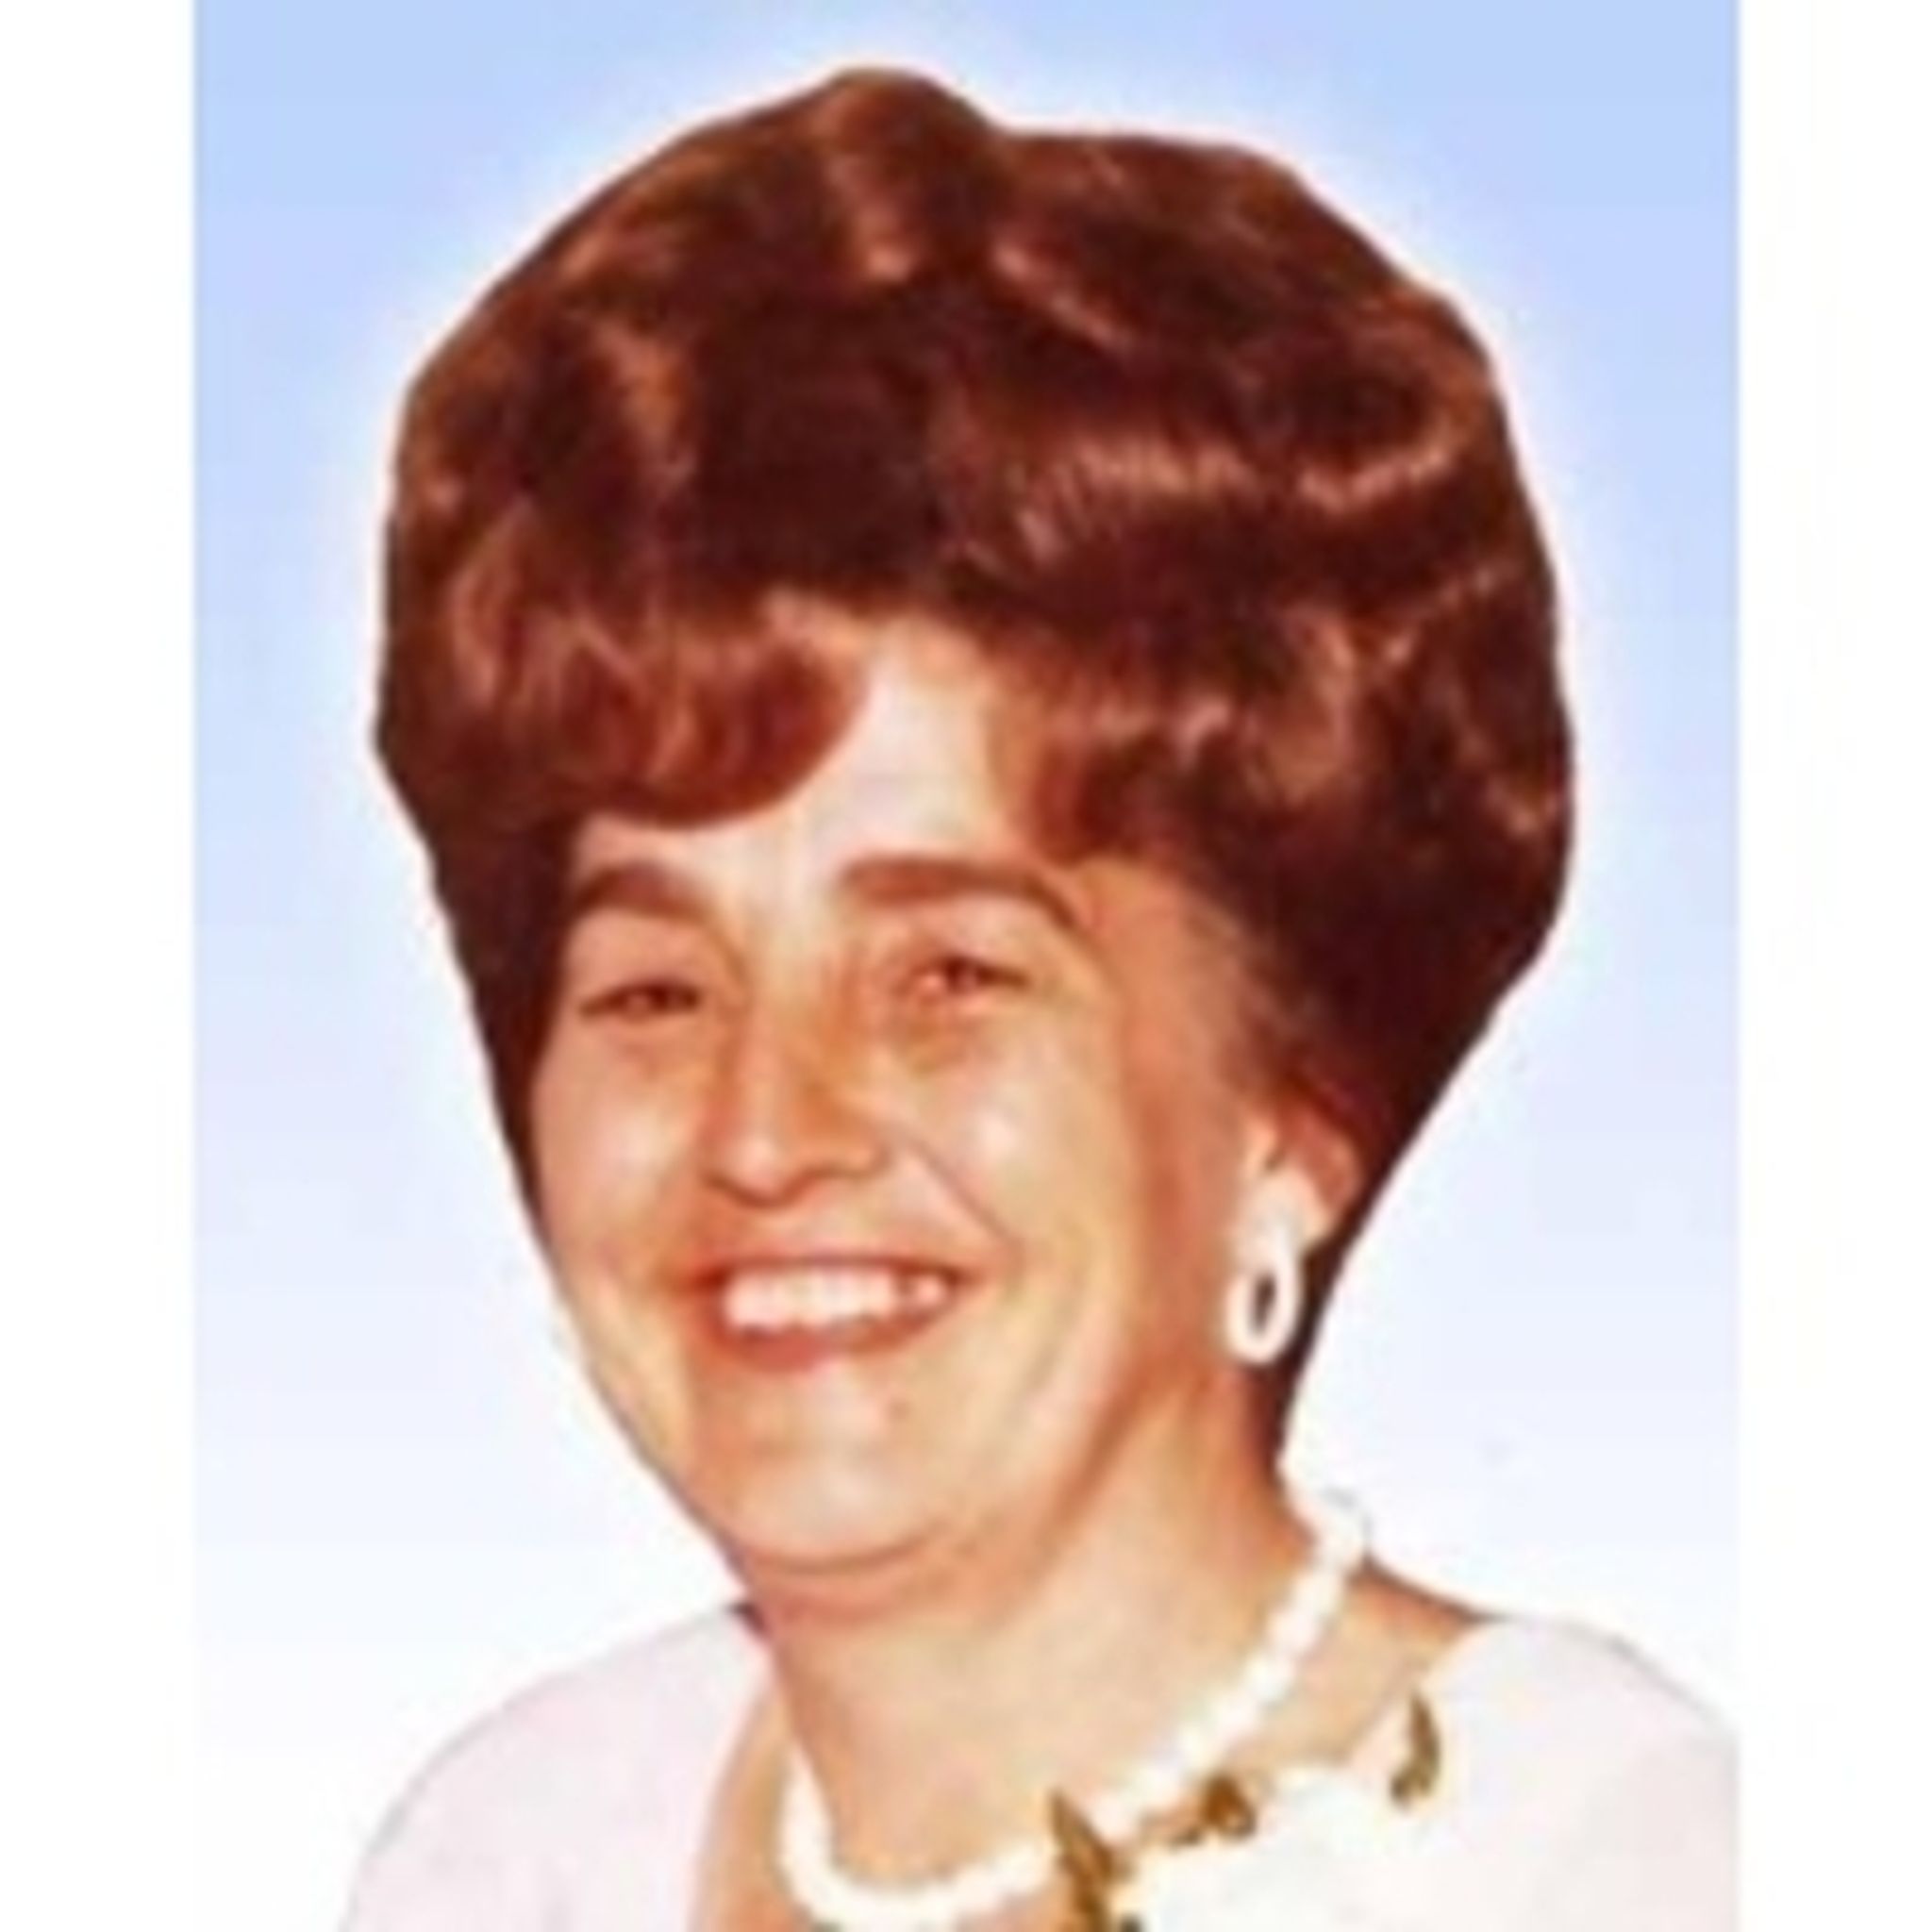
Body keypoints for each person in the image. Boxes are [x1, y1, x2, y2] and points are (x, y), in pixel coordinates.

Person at [348, 67, 1732, 1931]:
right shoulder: (513, 1850)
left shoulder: (1596, 1863)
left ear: (1290, 1124)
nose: (763, 1131)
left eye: (945, 973)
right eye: (656, 988)